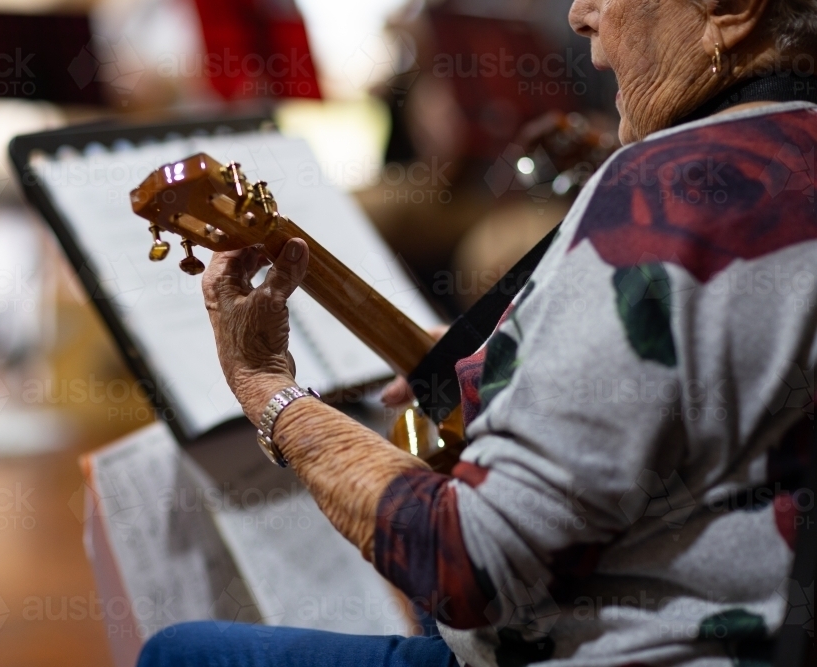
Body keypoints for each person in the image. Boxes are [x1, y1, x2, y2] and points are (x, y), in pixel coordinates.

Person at [140, 0, 817, 664]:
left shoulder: (661, 194)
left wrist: (270, 392)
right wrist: (533, 347)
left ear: (729, 8)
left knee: (182, 651)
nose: (581, 15)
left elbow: (468, 564)